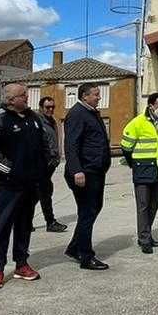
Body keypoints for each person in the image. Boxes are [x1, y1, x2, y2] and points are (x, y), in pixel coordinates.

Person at [0, 82, 54, 289]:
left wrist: (43, 169)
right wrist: (11, 171)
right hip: (7, 187)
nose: (27, 97)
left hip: (30, 186)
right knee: (2, 228)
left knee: (24, 226)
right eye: (23, 95)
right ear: (11, 100)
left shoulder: (33, 118)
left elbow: (44, 145)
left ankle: (21, 264)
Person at [62, 81, 111, 270]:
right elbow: (71, 145)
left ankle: (75, 247)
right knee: (88, 211)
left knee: (92, 209)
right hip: (84, 173)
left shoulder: (91, 112)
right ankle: (85, 255)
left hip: (95, 171)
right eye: (96, 94)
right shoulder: (77, 114)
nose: (99, 97)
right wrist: (76, 170)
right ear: (85, 96)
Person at [121, 92, 158, 254]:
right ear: (151, 106)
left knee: (153, 206)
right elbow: (126, 147)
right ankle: (144, 240)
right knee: (143, 206)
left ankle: (147, 235)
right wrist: (133, 164)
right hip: (142, 170)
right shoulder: (137, 123)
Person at [35, 94, 68, 233]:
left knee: (39, 193)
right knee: (43, 193)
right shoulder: (37, 122)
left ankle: (26, 222)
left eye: (53, 107)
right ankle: (50, 222)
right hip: (41, 164)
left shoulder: (52, 121)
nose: (51, 109)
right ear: (41, 108)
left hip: (50, 164)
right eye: (48, 107)